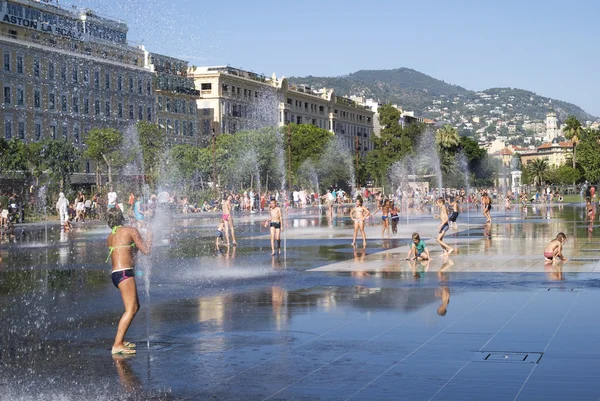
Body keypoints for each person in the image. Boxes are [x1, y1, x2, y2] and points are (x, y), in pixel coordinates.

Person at [106, 207, 152, 355]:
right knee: (131, 309)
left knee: (135, 306)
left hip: (116, 274)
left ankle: (121, 340)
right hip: (124, 273)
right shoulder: (130, 231)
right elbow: (146, 250)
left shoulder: (110, 236)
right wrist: (151, 235)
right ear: (122, 217)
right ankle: (117, 344)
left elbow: (127, 252)